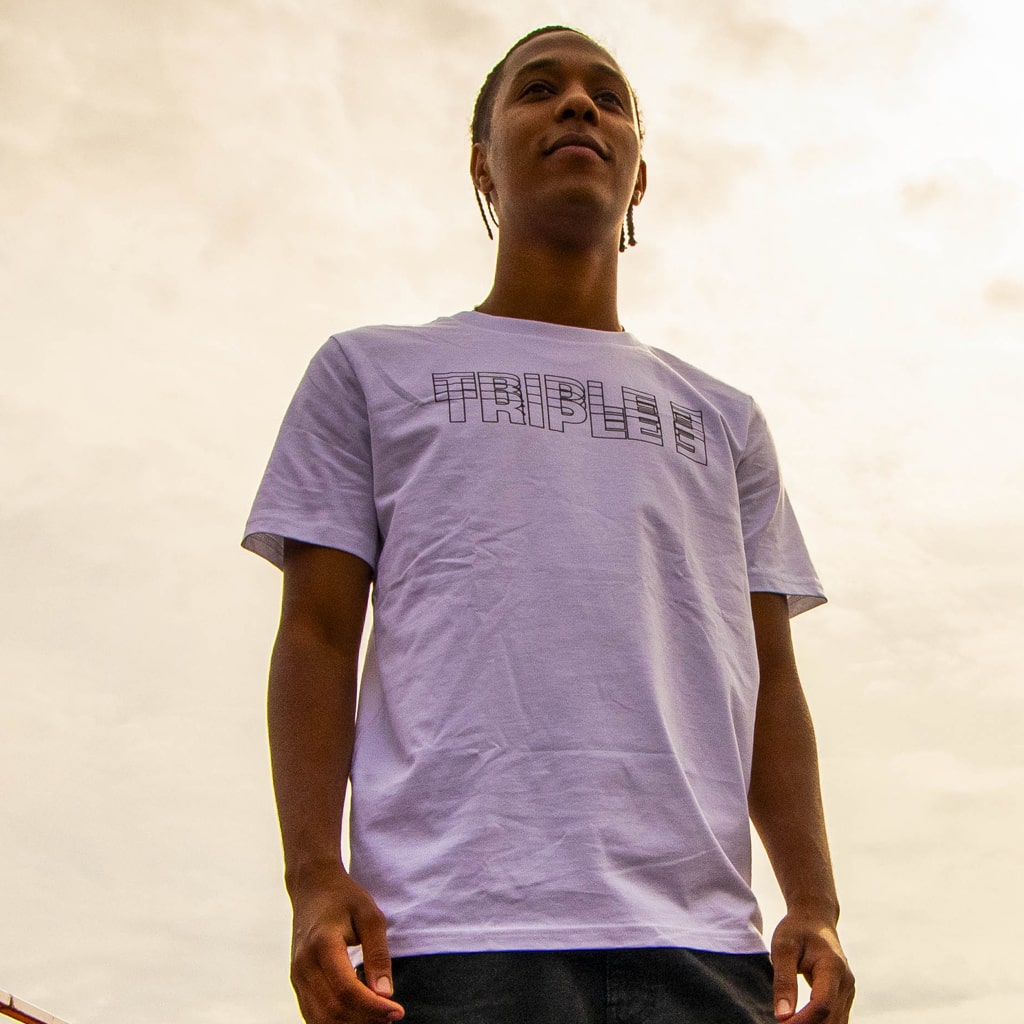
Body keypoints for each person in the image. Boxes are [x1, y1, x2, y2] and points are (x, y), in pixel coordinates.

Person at [243, 24, 855, 1024]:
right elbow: (314, 635)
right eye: (540, 88)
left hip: (701, 946)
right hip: (448, 937)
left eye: (607, 97)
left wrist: (816, 901)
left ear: (640, 177)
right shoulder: (368, 373)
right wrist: (313, 874)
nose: (579, 106)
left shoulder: (724, 420)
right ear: (482, 163)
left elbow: (769, 676)